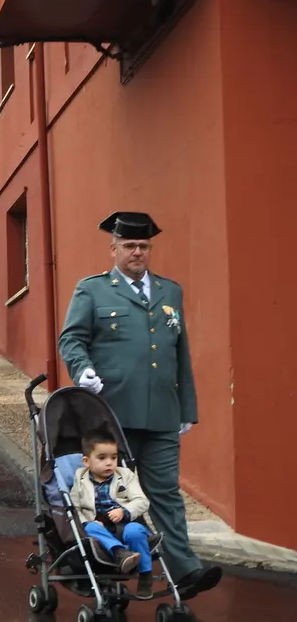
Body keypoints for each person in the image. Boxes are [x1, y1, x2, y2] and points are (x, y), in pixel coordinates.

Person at [58, 211, 222, 599]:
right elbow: (72, 340)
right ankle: (106, 569)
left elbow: (180, 355)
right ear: (113, 248)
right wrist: (83, 371)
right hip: (113, 415)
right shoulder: (92, 290)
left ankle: (185, 571)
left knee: (164, 492)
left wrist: (187, 409)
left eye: (143, 246)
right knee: (111, 494)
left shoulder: (171, 292)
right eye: (129, 246)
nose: (137, 252)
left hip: (162, 414)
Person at [71, 424, 155, 599]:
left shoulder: (125, 475)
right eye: (101, 458)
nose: (109, 462)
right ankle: (120, 553)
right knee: (90, 528)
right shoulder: (80, 478)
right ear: (86, 461)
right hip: (99, 528)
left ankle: (145, 575)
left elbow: (142, 501)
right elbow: (74, 507)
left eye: (114, 457)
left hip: (124, 524)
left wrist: (124, 511)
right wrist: (87, 522)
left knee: (136, 531)